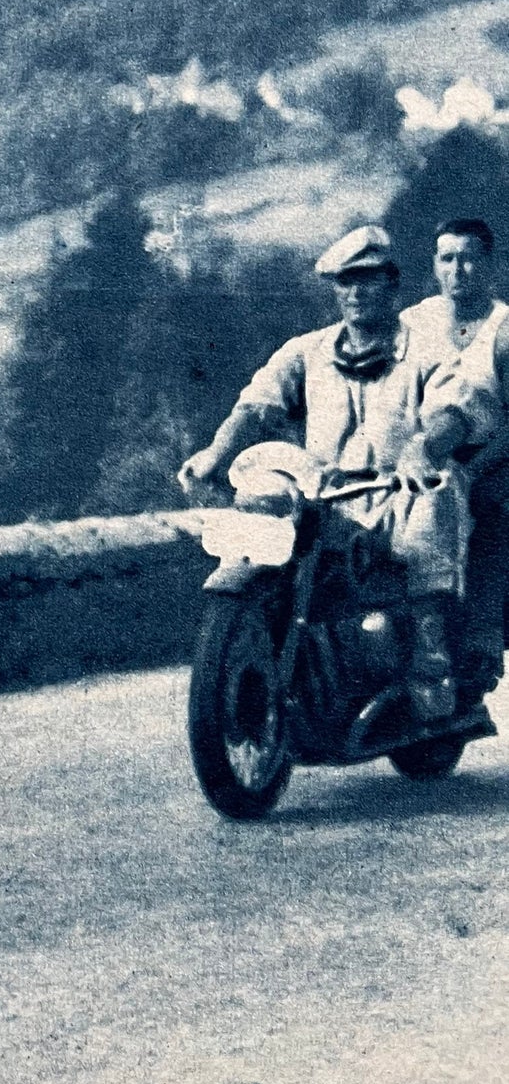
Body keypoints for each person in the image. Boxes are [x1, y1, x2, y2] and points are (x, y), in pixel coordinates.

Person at [177, 225, 469, 724]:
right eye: (345, 282)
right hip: (328, 494)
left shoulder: (429, 350)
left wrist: (423, 446)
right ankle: (263, 650)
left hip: (400, 489)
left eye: (367, 279)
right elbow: (256, 404)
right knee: (265, 521)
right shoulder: (307, 352)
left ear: (392, 282)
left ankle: (430, 658)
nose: (355, 292)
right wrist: (214, 453)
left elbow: (455, 409)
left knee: (429, 512)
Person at [401, 219, 509, 693]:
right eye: (447, 258)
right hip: (425, 451)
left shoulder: (503, 331)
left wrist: (471, 470)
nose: (458, 270)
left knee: (489, 507)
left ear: (490, 264)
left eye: (469, 258)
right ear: (435, 266)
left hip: (493, 454)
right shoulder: (415, 322)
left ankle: (483, 637)